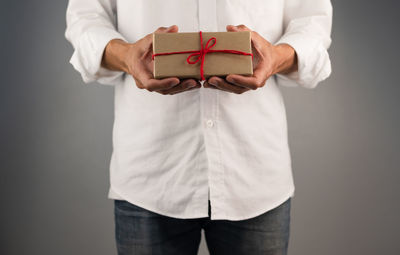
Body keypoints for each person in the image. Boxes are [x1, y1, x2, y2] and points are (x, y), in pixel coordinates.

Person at [65, 0, 332, 254]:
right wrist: (125, 56)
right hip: (150, 174)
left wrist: (276, 57)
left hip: (254, 174)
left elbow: (311, 22)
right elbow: (86, 16)